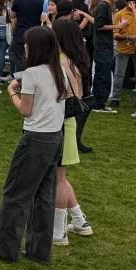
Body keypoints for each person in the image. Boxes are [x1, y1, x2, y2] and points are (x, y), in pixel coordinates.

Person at [0, 26, 67, 265]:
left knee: (15, 194)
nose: (24, 46)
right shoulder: (59, 70)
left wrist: (12, 92)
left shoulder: (32, 73)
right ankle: (39, 251)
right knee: (44, 194)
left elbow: (25, 110)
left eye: (27, 43)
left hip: (35, 138)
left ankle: (5, 248)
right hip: (55, 137)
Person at [52, 19, 95, 246]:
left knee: (57, 180)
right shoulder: (77, 60)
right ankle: (79, 221)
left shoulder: (60, 62)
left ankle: (58, 233)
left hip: (59, 123)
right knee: (61, 178)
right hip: (69, 122)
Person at [90, 0, 122, 113]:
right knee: (103, 75)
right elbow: (99, 25)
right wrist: (118, 26)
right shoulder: (103, 6)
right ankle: (99, 104)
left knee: (102, 74)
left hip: (104, 45)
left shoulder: (107, 5)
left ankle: (99, 103)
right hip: (102, 45)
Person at [110, 0, 136, 110]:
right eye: (131, 2)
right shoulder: (120, 15)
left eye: (135, 2)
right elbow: (115, 34)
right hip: (123, 48)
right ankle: (115, 98)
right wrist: (128, 37)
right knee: (119, 75)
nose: (133, 5)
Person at [8, 0, 43, 75]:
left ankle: (21, 81)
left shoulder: (18, 0)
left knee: (20, 58)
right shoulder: (40, 1)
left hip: (20, 33)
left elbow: (13, 15)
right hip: (36, 34)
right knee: (34, 58)